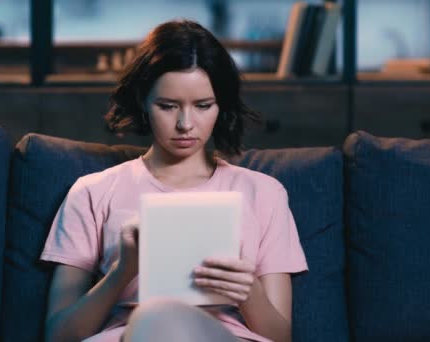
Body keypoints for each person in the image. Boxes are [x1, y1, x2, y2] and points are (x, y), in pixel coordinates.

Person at [40, 20, 308, 342]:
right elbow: (58, 336)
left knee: (162, 318)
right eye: (167, 106)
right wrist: (123, 271)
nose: (185, 124)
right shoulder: (92, 192)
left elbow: (281, 337)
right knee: (154, 318)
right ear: (143, 101)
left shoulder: (264, 194)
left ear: (220, 107)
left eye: (203, 106)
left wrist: (249, 291)